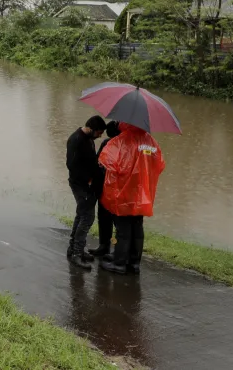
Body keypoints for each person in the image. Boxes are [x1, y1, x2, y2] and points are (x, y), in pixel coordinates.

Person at [98, 123, 166, 275]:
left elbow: (107, 162)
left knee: (123, 229)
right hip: (143, 195)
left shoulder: (119, 141)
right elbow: (160, 165)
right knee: (137, 228)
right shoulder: (151, 142)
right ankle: (134, 263)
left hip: (123, 193)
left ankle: (119, 263)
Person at [66, 115, 107, 269]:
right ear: (91, 129)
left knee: (81, 214)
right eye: (99, 132)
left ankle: (73, 249)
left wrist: (97, 168)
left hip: (86, 184)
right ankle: (77, 253)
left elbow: (90, 161)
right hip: (80, 185)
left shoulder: (88, 139)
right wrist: (90, 177)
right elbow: (71, 165)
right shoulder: (76, 140)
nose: (100, 136)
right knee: (88, 217)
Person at [89, 120, 121, 259]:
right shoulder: (107, 144)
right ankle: (106, 246)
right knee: (106, 219)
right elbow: (98, 163)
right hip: (107, 189)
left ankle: (113, 248)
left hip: (116, 190)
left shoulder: (125, 146)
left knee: (115, 222)